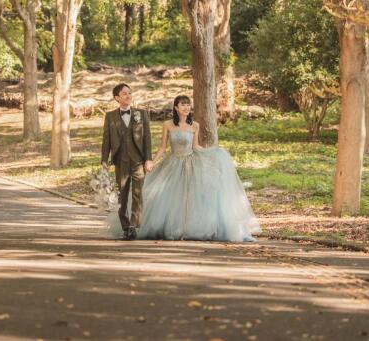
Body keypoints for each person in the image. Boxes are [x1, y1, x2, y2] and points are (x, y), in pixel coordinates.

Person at [107, 95, 260, 242]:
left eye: (188, 104)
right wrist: (151, 162)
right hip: (172, 163)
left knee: (189, 196)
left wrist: (212, 153)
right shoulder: (168, 124)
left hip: (190, 164)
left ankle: (186, 228)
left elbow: (196, 147)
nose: (186, 107)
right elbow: (162, 148)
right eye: (183, 104)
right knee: (168, 196)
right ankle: (161, 227)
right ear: (176, 107)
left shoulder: (195, 125)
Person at [101, 83, 153, 240]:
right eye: (124, 94)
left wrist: (148, 159)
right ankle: (125, 226)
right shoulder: (110, 116)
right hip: (120, 161)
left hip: (138, 160)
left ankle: (133, 226)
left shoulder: (141, 114)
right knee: (122, 195)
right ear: (117, 98)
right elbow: (106, 139)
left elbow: (147, 138)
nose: (128, 96)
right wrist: (104, 160)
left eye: (130, 93)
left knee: (138, 194)